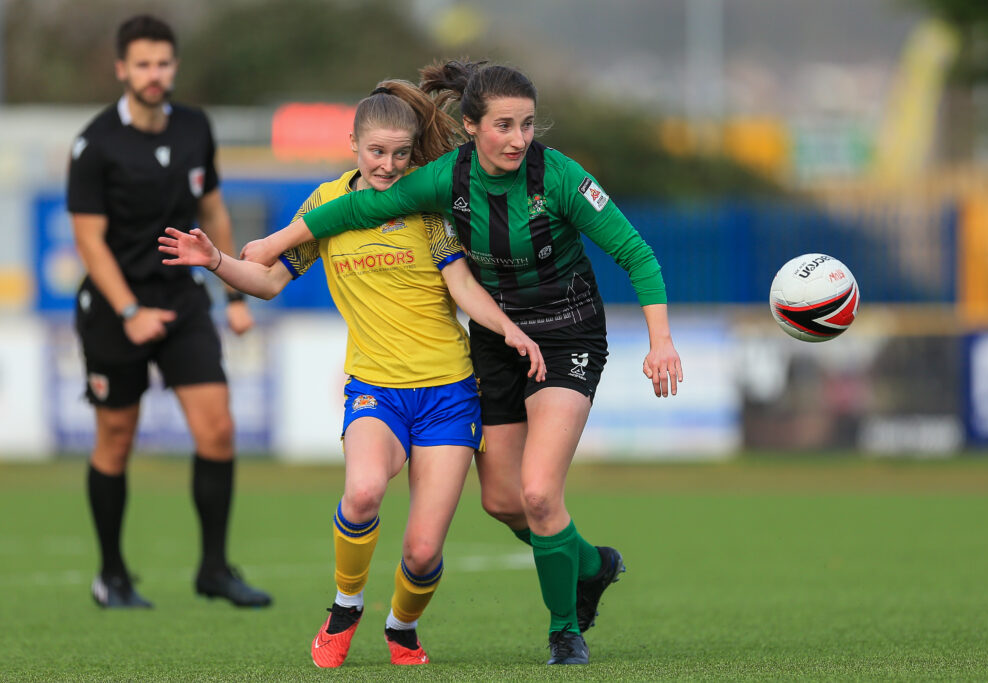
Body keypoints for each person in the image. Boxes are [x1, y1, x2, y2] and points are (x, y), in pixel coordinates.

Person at [241, 59, 684, 665]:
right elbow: (353, 211)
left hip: (566, 336)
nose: (518, 139)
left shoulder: (558, 177)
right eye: (503, 125)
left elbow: (637, 254)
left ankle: (564, 633)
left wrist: (661, 341)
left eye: (527, 125)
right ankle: (593, 564)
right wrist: (269, 245)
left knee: (536, 493)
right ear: (471, 126)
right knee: (500, 500)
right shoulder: (445, 180)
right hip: (495, 341)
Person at [159, 80, 546, 666]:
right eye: (376, 152)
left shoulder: (425, 203)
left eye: (400, 153)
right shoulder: (325, 205)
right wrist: (216, 261)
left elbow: (462, 285)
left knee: (420, 551)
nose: (389, 165)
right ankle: (346, 606)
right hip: (376, 389)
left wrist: (508, 328)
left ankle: (401, 627)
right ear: (354, 146)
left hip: (448, 392)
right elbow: (266, 281)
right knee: (363, 492)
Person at [67, 15, 270, 609]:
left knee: (219, 430)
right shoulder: (95, 142)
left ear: (173, 67)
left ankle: (214, 570)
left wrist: (231, 293)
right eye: (143, 64)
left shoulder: (195, 128)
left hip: (183, 301)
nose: (155, 75)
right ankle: (113, 576)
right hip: (114, 308)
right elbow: (89, 241)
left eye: (163, 63)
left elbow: (213, 208)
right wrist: (129, 309)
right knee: (116, 439)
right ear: (122, 69)